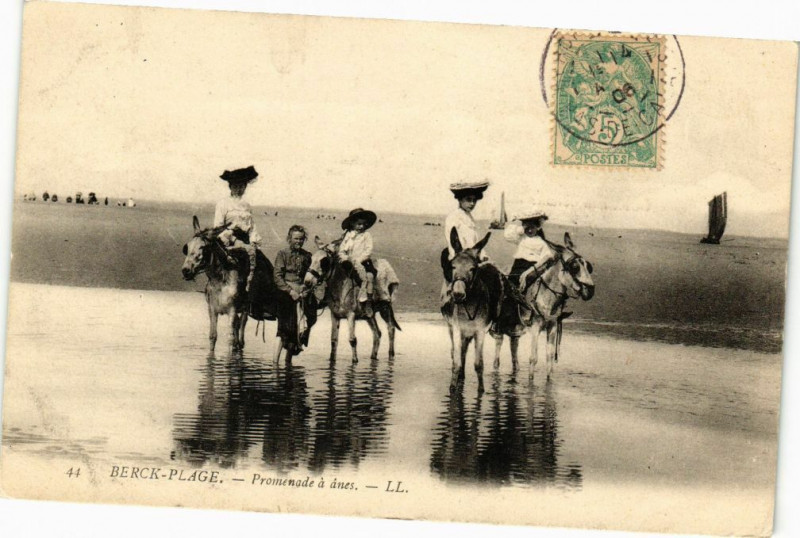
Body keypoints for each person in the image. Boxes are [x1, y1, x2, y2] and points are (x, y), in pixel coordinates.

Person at [214, 165, 262, 293]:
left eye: (242, 186)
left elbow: (252, 226)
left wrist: (253, 241)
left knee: (263, 265)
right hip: (229, 240)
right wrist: (233, 239)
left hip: (246, 241)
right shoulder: (223, 204)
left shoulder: (247, 205)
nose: (239, 189)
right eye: (236, 185)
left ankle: (255, 299)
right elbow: (218, 226)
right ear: (230, 186)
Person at [273, 225, 317, 356]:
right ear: (289, 238)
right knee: (284, 327)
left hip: (302, 293)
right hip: (285, 293)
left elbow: (311, 276)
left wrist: (307, 290)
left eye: (301, 239)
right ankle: (275, 362)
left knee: (310, 318)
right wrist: (290, 291)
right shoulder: (282, 254)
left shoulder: (307, 256)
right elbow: (277, 276)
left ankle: (289, 360)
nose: (298, 241)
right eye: (296, 238)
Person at [441, 180, 490, 281]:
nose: (472, 203)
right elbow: (452, 242)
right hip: (460, 259)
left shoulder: (470, 218)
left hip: (471, 258)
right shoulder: (453, 217)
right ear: (460, 200)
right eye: (468, 200)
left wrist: (482, 254)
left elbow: (475, 242)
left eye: (474, 200)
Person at [504, 210, 553, 290]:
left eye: (532, 227)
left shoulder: (541, 242)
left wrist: (530, 271)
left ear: (537, 228)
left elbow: (548, 256)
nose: (530, 231)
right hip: (518, 266)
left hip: (532, 268)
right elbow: (508, 235)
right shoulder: (521, 238)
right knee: (510, 287)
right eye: (528, 228)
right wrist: (521, 229)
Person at [339, 208, 378, 303]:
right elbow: (342, 248)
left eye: (363, 224)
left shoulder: (366, 235)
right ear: (352, 224)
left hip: (363, 261)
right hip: (349, 260)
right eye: (359, 224)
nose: (361, 227)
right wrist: (344, 257)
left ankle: (368, 299)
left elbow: (368, 250)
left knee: (369, 276)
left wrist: (359, 260)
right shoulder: (348, 235)